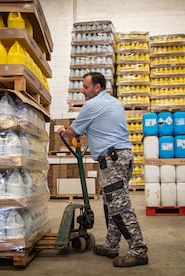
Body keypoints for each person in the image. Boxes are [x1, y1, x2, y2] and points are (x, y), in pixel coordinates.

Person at [57, 72, 148, 267]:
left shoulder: (92, 105)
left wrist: (62, 131)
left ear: (97, 88)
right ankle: (111, 246)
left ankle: (139, 251)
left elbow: (73, 131)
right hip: (123, 157)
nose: (83, 90)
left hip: (113, 160)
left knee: (120, 207)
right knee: (111, 204)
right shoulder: (113, 102)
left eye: (86, 87)